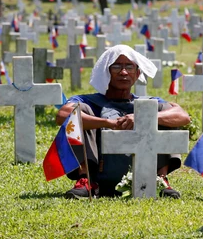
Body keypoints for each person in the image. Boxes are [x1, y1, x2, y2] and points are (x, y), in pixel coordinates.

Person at [56, 45, 190, 199]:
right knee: (77, 115)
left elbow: (182, 116)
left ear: (137, 73)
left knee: (165, 114)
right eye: (117, 66)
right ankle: (86, 180)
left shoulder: (148, 103)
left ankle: (160, 180)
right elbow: (62, 115)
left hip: (144, 173)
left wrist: (142, 118)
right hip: (99, 173)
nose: (124, 72)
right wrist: (108, 123)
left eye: (129, 67)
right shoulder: (88, 101)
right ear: (105, 72)